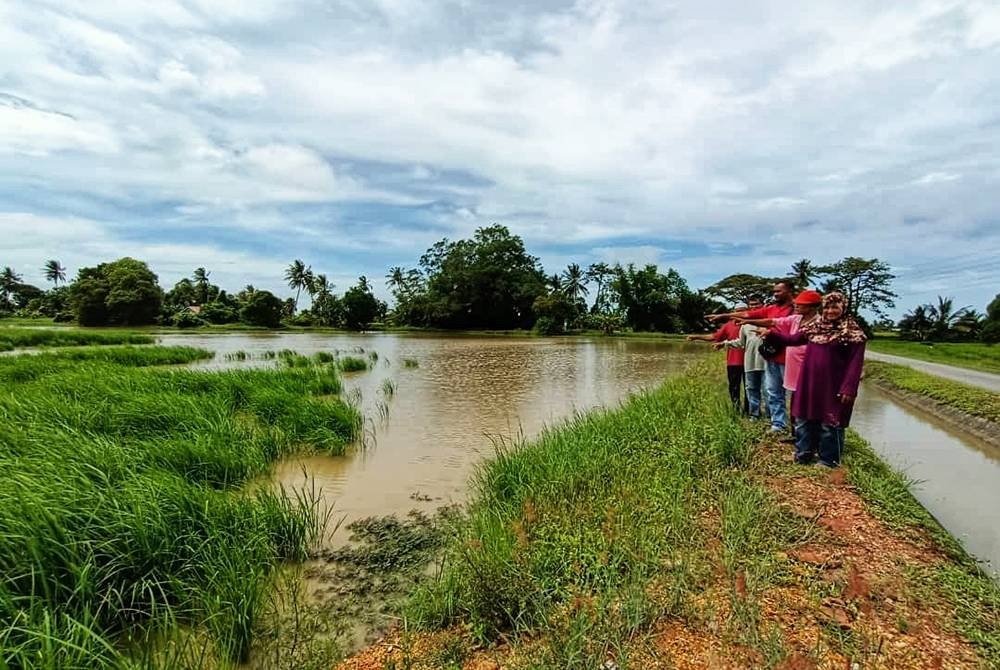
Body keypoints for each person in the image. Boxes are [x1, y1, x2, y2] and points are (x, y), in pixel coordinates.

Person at [767, 292, 866, 467]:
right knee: (804, 417)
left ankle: (829, 460)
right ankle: (802, 454)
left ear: (844, 308)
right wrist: (770, 334)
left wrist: (849, 388)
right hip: (809, 381)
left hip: (833, 384)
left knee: (830, 422)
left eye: (835, 307)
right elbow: (793, 339)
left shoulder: (853, 333)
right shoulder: (816, 326)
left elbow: (855, 364)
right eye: (827, 307)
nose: (830, 311)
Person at [738, 290, 822, 450]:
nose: (796, 305)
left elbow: (792, 339)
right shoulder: (796, 319)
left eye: (801, 304)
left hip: (810, 369)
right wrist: (753, 323)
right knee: (795, 402)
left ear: (812, 307)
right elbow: (774, 323)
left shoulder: (819, 324)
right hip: (794, 366)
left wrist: (769, 333)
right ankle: (796, 435)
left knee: (808, 404)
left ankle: (811, 442)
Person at [708, 281, 795, 432]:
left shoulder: (796, 310)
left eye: (778, 291)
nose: (775, 294)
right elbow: (746, 315)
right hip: (771, 357)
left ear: (789, 291)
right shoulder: (771, 309)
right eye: (774, 292)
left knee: (789, 393)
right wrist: (724, 315)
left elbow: (780, 325)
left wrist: (768, 330)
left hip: (789, 358)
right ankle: (777, 424)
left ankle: (794, 425)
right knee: (772, 391)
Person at [715, 295, 766, 419]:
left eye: (756, 304)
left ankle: (770, 417)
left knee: (767, 390)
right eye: (751, 305)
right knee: (750, 388)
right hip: (746, 362)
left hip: (766, 362)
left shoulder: (769, 321)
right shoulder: (744, 325)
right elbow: (740, 342)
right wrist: (724, 344)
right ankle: (751, 414)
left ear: (762, 306)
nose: (753, 307)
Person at [687, 317, 745, 412]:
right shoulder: (729, 325)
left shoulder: (752, 323)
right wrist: (696, 337)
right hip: (733, 361)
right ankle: (736, 409)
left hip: (750, 362)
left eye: (742, 311)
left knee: (750, 388)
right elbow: (714, 337)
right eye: (737, 311)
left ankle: (750, 411)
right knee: (734, 387)